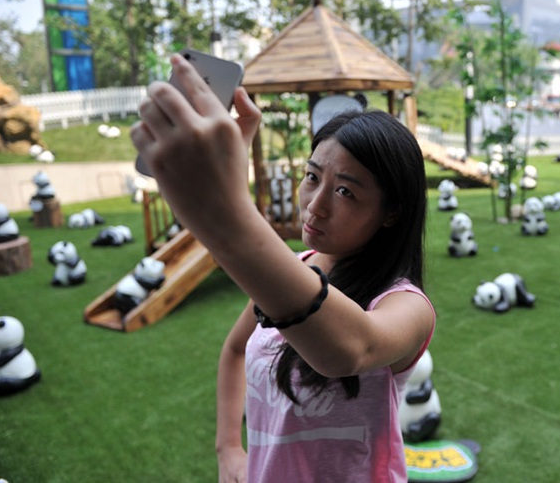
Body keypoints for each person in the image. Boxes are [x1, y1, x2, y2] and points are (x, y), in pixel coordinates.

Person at [131, 54, 435, 483]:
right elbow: (235, 350)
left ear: (391, 213)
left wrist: (228, 211)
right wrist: (228, 448)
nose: (316, 205)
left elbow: (350, 351)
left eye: (345, 192)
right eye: (312, 177)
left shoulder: (407, 305)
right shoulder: (294, 269)